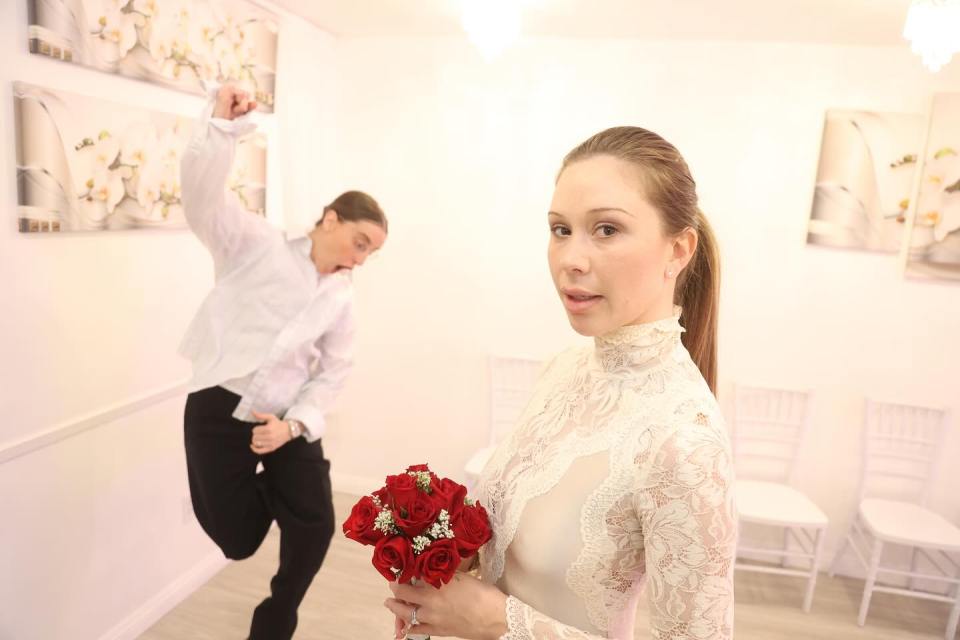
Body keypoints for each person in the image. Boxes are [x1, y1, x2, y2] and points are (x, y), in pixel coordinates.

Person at [384, 126, 735, 639]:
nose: (571, 259)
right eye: (560, 229)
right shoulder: (564, 369)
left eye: (607, 229)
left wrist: (501, 624)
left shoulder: (686, 442)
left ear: (679, 250)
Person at [180, 84, 387, 640]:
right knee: (238, 540)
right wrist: (222, 128)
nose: (360, 259)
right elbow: (201, 199)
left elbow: (333, 372)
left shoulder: (342, 297)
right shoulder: (254, 244)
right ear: (330, 219)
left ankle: (274, 622)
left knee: (317, 524)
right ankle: (272, 491)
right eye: (360, 242)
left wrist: (293, 427)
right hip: (218, 408)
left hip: (285, 419)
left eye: (370, 252)